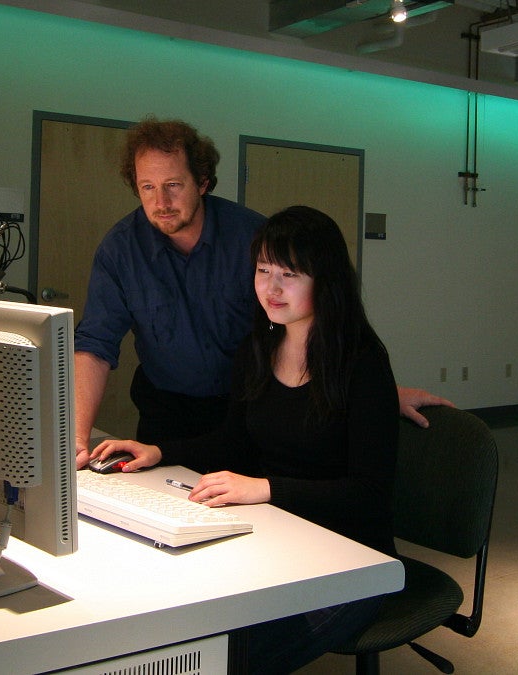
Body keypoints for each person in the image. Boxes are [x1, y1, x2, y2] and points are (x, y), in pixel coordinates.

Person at [89, 205, 403, 673]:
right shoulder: (259, 346)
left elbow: (370, 495)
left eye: (290, 274)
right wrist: (159, 451)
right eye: (262, 271)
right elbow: (233, 441)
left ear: (326, 280)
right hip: (277, 533)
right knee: (184, 620)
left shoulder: (362, 363)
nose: (271, 289)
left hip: (353, 556)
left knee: (234, 657)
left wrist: (265, 488)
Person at [73, 116, 450, 468]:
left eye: (174, 185)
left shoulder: (253, 238)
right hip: (165, 414)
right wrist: (76, 437)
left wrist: (367, 396)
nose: (161, 203)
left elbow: (306, 323)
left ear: (202, 182)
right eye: (147, 188)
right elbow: (95, 344)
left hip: (252, 412)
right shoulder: (120, 249)